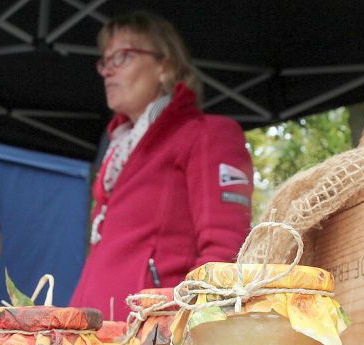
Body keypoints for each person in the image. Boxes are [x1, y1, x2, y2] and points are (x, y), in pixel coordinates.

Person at [69, 11, 253, 319]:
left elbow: (223, 256)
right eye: (105, 61)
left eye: (122, 57)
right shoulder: (118, 151)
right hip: (96, 339)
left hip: (150, 341)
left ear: (164, 65)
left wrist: (174, 337)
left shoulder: (207, 134)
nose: (107, 71)